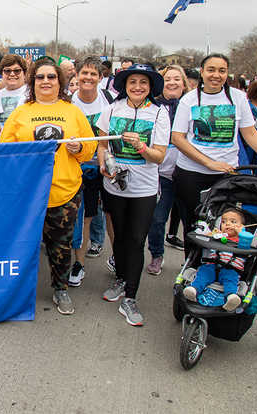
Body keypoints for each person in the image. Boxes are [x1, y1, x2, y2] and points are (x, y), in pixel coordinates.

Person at [0, 60, 96, 315]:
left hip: (65, 191)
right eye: (40, 77)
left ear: (59, 81)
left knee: (61, 244)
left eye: (51, 77)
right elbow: (4, 149)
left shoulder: (73, 112)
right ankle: (16, 291)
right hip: (28, 193)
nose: (45, 81)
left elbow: (89, 150)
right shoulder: (21, 113)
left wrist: (79, 149)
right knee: (23, 243)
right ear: (32, 82)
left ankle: (60, 289)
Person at [171, 54, 257, 257]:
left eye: (222, 71)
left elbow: (250, 133)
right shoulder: (189, 99)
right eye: (211, 70)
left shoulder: (238, 97)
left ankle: (218, 270)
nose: (216, 75)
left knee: (224, 227)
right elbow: (178, 138)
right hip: (192, 174)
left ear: (227, 73)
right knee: (195, 227)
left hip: (226, 175)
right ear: (202, 72)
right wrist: (209, 163)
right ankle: (191, 272)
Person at [97, 63, 170, 326]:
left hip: (144, 189)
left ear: (150, 87)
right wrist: (104, 164)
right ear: (125, 85)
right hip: (114, 185)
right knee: (118, 234)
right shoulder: (111, 109)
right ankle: (121, 278)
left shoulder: (160, 114)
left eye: (143, 82)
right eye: (132, 82)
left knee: (137, 239)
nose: (138, 87)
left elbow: (159, 156)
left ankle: (130, 297)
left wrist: (141, 146)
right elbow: (102, 144)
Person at [68, 56, 114, 286]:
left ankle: (117, 259)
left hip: (102, 166)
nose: (88, 78)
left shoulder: (108, 101)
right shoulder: (68, 101)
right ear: (76, 75)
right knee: (82, 217)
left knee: (109, 214)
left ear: (100, 77)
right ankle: (79, 264)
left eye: (93, 74)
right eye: (84, 73)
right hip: (77, 167)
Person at [145, 65, 189, 275]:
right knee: (157, 218)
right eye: (168, 79)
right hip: (162, 174)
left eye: (176, 79)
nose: (172, 82)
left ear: (184, 83)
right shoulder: (154, 107)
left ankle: (192, 261)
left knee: (193, 220)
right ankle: (156, 254)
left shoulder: (191, 105)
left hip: (188, 172)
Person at [183, 208, 246, 311]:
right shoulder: (217, 235)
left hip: (231, 269)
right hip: (212, 265)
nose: (227, 224)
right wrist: (211, 235)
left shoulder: (243, 240)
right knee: (203, 273)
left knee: (230, 279)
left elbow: (247, 247)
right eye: (224, 222)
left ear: (242, 227)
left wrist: (242, 233)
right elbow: (204, 239)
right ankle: (194, 289)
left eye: (233, 222)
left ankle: (231, 297)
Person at [0, 54, 27, 127]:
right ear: (2, 74)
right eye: (7, 71)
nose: (12, 74)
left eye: (17, 71)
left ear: (24, 73)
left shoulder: (33, 93)